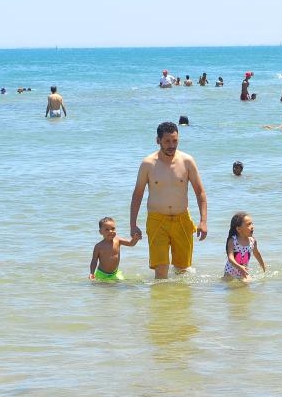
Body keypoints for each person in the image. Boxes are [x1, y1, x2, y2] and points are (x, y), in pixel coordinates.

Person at [130, 121, 208, 279]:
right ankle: (160, 303)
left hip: (182, 220)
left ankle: (179, 303)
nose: (172, 145)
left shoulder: (187, 161)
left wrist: (203, 221)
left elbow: (200, 192)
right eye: (167, 141)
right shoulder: (148, 164)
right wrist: (133, 224)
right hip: (157, 221)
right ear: (157, 140)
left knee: (183, 271)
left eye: (175, 141)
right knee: (161, 270)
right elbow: (137, 194)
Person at [89, 217, 140, 281]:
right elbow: (94, 261)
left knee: (119, 287)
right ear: (100, 232)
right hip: (102, 274)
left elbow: (131, 244)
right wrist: (91, 273)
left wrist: (135, 239)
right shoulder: (98, 246)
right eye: (107, 230)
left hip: (115, 273)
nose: (111, 231)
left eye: (113, 229)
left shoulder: (118, 240)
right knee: (102, 289)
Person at [223, 212, 266, 282]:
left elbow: (256, 253)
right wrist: (239, 267)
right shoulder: (233, 241)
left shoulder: (253, 241)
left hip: (243, 271)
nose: (252, 226)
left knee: (247, 285)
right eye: (248, 224)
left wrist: (262, 264)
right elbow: (230, 258)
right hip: (230, 272)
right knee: (229, 287)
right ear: (239, 229)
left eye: (252, 223)